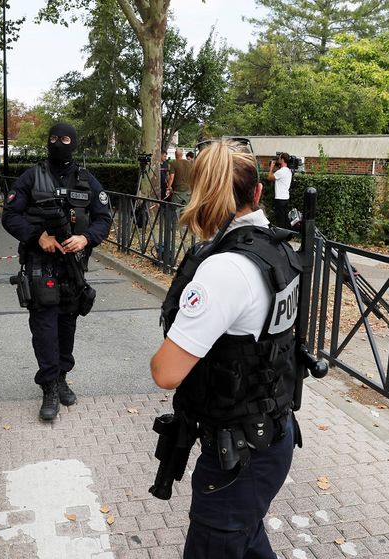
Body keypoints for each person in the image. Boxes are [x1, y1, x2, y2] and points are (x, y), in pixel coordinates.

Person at [151, 139, 303, 558]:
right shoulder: (276, 248)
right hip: (271, 432)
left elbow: (166, 372)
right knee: (247, 539)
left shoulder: (223, 269)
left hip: (237, 457)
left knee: (224, 539)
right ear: (257, 193)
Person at [1, 123, 112, 421]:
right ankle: (48, 385)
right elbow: (10, 215)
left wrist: (86, 238)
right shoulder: (31, 177)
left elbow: (104, 218)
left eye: (65, 139)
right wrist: (38, 236)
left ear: (74, 143)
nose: (59, 144)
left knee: (67, 325)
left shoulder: (87, 181)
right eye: (54, 139)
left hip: (73, 267)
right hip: (41, 264)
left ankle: (62, 375)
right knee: (45, 327)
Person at [267, 152, 293, 228]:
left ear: (282, 159)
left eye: (279, 158)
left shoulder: (281, 172)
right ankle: (287, 235)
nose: (278, 159)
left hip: (280, 198)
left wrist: (271, 167)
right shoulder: (288, 171)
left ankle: (282, 237)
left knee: (280, 219)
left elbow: (269, 178)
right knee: (285, 218)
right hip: (285, 198)